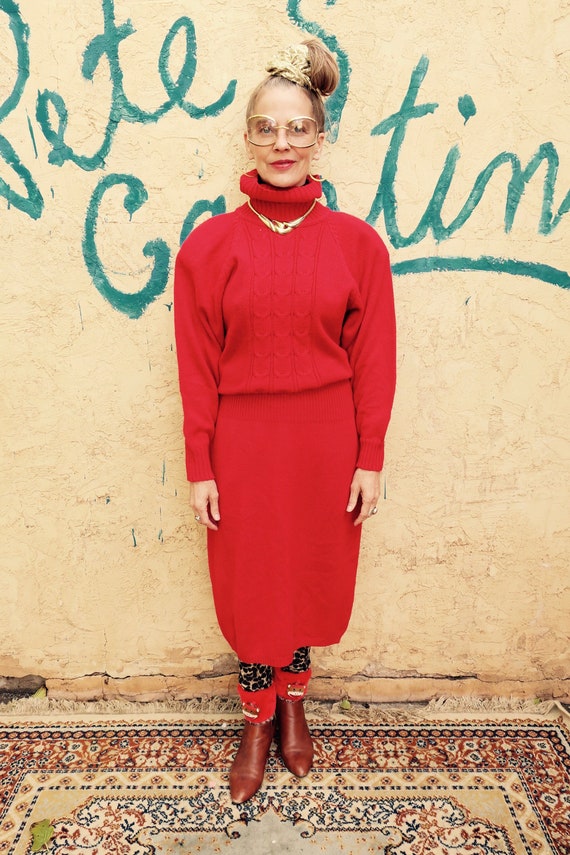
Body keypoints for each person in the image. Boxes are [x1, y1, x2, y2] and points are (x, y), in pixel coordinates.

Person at [174, 38, 396, 804]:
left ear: (320, 136)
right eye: (267, 128)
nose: (282, 143)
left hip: (324, 443)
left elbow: (374, 360)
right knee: (251, 583)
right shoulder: (208, 248)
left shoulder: (359, 247)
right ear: (248, 135)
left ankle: (294, 706)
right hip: (243, 445)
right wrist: (200, 463)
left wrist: (370, 456)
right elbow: (196, 365)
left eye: (297, 127)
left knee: (305, 576)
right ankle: (254, 716)